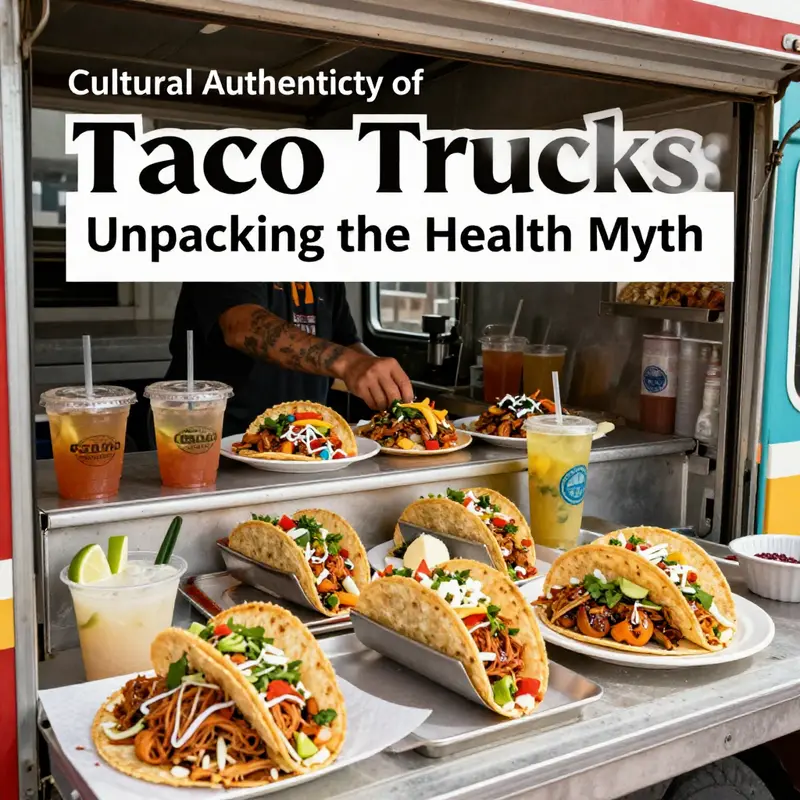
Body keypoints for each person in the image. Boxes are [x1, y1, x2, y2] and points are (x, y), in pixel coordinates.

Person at [165, 282, 414, 435]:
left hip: (304, 440)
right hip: (214, 442)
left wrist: (386, 383)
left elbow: (345, 341)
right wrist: (350, 364)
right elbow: (242, 326)